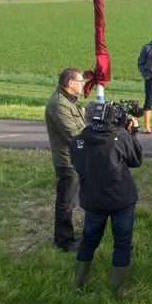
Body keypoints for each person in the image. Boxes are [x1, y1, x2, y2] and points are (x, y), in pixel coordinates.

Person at [70, 99, 143, 296]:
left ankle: (78, 286)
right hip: (121, 199)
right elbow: (136, 160)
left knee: (88, 241)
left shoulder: (76, 141)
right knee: (122, 244)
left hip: (93, 200)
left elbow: (78, 165)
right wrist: (133, 134)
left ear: (87, 118)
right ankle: (118, 290)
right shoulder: (120, 138)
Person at [45, 67, 86, 251]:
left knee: (70, 200)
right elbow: (73, 134)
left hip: (74, 159)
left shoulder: (69, 101)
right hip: (67, 161)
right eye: (80, 81)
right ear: (70, 83)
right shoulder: (59, 104)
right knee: (66, 201)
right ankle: (63, 242)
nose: (83, 84)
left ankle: (66, 235)